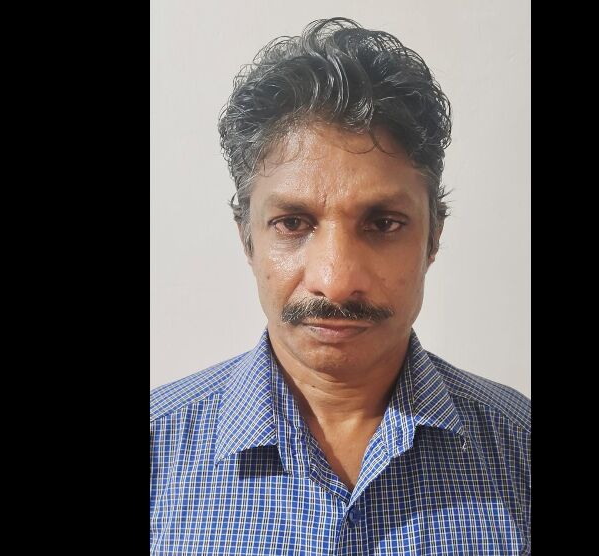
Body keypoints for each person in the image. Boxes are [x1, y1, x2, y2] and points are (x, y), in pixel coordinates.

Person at [151, 17, 530, 555]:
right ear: (247, 238)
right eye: (292, 223)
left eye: (383, 224)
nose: (335, 281)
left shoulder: (519, 448)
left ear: (433, 238)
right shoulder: (159, 448)